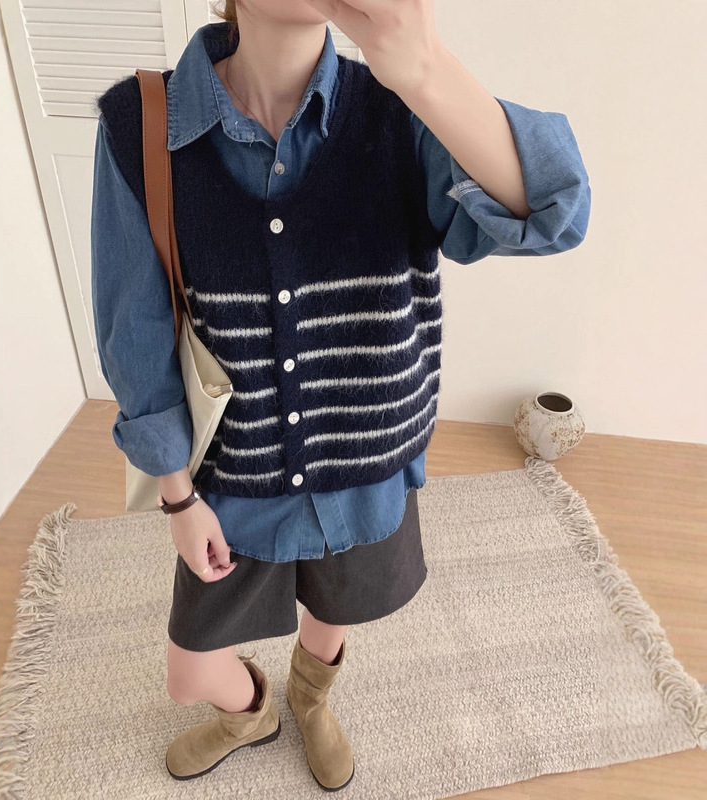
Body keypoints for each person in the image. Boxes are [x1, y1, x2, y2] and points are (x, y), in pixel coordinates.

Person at [90, 0, 591, 790]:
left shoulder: (403, 110)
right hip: (234, 479)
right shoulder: (141, 124)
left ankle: (311, 696)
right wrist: (177, 498)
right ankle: (252, 711)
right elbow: (135, 329)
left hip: (367, 463)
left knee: (336, 610)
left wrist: (425, 69)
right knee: (189, 672)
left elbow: (559, 208)